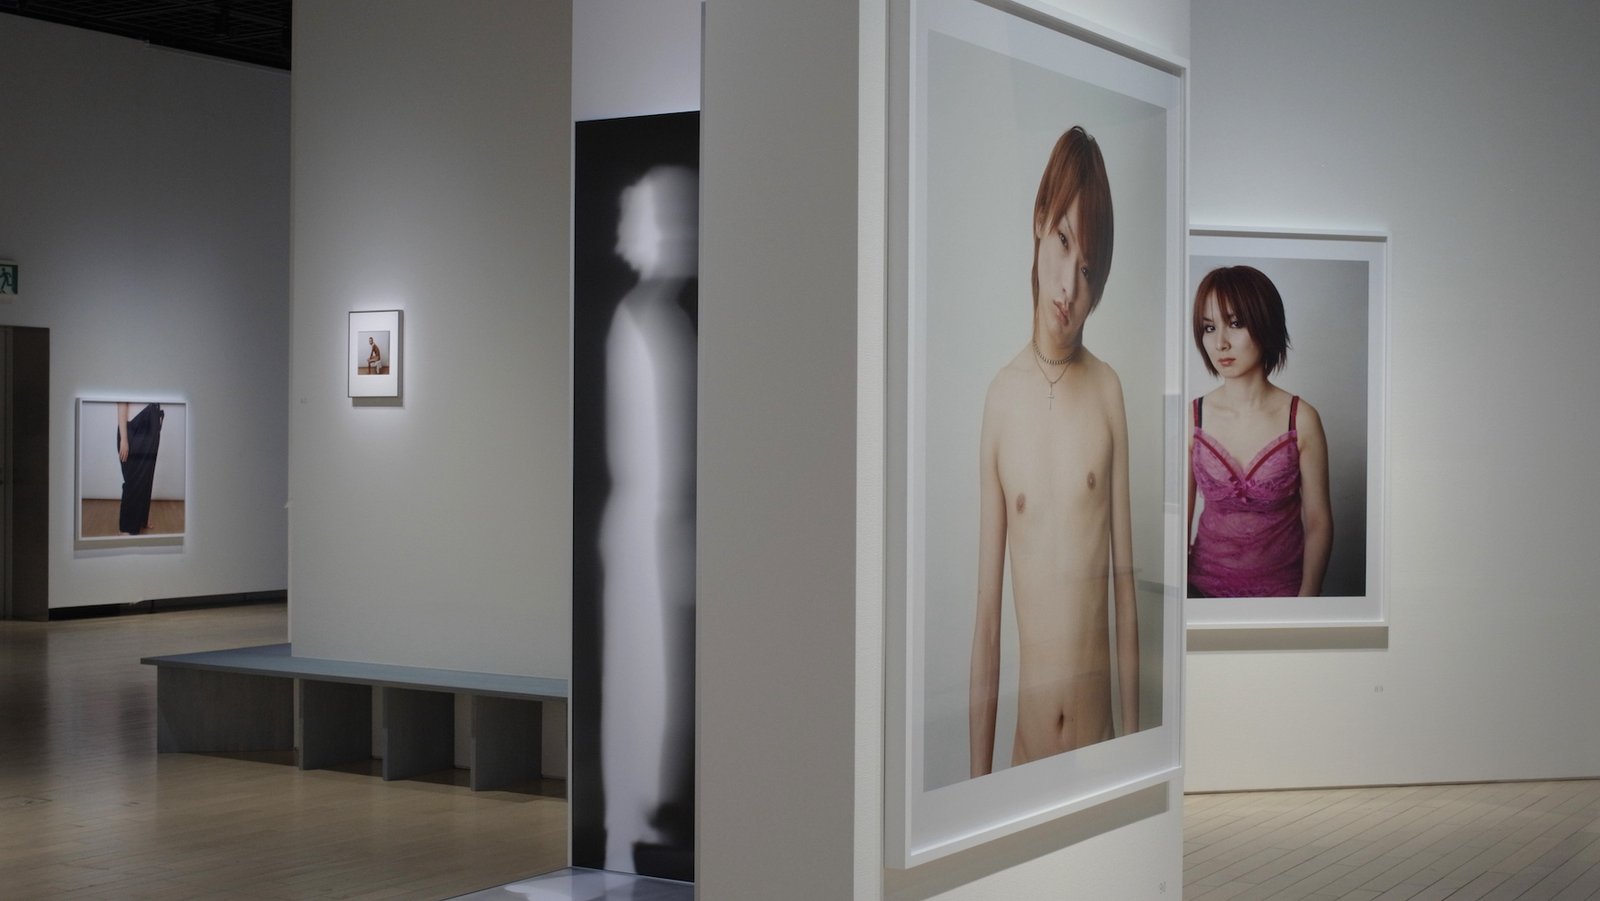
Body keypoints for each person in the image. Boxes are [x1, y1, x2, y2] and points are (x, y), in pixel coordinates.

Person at [970, 126, 1139, 778]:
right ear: (1039, 222)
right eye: (1064, 241)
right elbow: (987, 623)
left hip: (1100, 751)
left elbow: (1126, 598)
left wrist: (1136, 761)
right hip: (1026, 758)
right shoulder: (1000, 399)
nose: (1069, 286)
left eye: (1089, 269)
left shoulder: (1108, 392)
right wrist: (979, 787)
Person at [598, 165, 697, 876]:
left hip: (662, 532)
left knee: (662, 687)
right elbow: (651, 451)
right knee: (644, 685)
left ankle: (642, 822)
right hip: (647, 534)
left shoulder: (664, 322)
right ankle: (629, 827)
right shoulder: (642, 322)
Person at [1187, 265, 1332, 598]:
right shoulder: (1192, 417)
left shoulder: (1301, 419)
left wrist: (1305, 606)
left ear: (1265, 322)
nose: (1220, 342)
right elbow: (1178, 522)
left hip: (1282, 598)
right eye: (1209, 327)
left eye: (1236, 323)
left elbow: (1319, 523)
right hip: (1202, 595)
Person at [116, 401, 163, 535]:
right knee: (133, 479)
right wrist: (124, 439)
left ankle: (142, 519)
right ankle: (127, 527)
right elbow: (122, 403)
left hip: (150, 425)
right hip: (135, 428)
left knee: (147, 477)